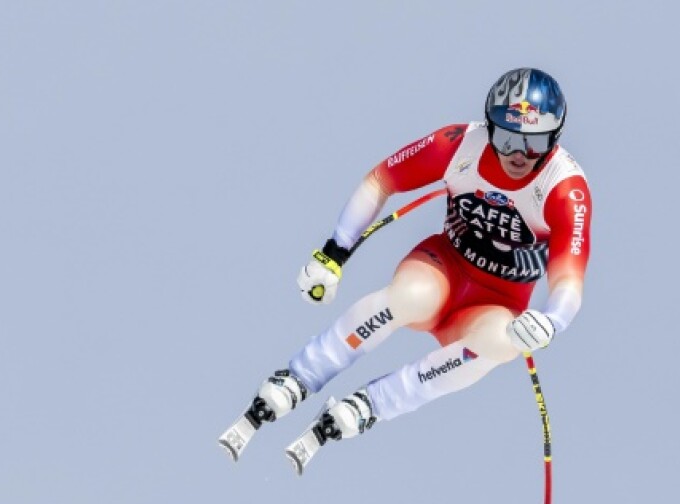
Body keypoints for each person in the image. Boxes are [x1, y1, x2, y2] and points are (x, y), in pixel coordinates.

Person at [223, 67, 592, 467]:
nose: (518, 155)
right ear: (489, 128)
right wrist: (334, 253)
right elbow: (380, 181)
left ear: (554, 139)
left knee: (501, 343)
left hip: (495, 303)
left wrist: (551, 322)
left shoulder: (565, 189)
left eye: (534, 143)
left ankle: (373, 404)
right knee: (411, 297)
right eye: (506, 138)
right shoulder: (458, 145)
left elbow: (570, 278)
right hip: (445, 269)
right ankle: (300, 375)